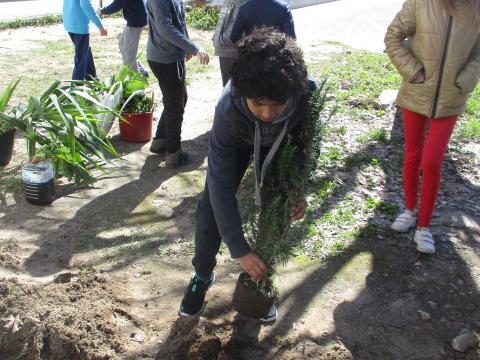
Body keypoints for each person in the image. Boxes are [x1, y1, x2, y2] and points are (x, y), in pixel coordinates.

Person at [178, 28, 315, 322]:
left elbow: (305, 146)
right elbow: (220, 184)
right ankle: (202, 275)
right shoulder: (228, 107)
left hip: (282, 144)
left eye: (276, 105)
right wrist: (238, 247)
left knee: (280, 207)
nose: (267, 113)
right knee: (211, 210)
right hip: (239, 139)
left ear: (291, 93)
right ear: (244, 94)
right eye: (258, 104)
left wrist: (298, 187)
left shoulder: (305, 93)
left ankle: (260, 283)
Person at [385, 0, 480, 254]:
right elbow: (393, 37)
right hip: (416, 93)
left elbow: (478, 53)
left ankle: (424, 227)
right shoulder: (420, 2)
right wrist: (412, 71)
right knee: (412, 156)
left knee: (432, 161)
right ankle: (409, 210)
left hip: (451, 98)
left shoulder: (476, 8)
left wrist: (464, 81)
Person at [146, 0, 210, 167]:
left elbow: (179, 20)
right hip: (164, 58)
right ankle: (174, 153)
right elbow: (165, 27)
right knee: (175, 104)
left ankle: (160, 141)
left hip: (172, 55)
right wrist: (194, 48)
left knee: (176, 99)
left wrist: (185, 47)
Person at [98, 0, 149, 77]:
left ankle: (135, 79)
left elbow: (117, 4)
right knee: (122, 44)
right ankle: (142, 71)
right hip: (134, 19)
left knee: (129, 54)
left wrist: (102, 11)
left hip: (135, 21)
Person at [63, 0, 108, 80]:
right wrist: (100, 26)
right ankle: (76, 90)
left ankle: (93, 82)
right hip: (79, 25)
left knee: (86, 52)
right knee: (81, 60)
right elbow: (85, 5)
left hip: (69, 21)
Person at [212, 0, 249, 86]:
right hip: (226, 47)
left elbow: (238, 23)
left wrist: (223, 39)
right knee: (229, 88)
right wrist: (217, 37)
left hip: (232, 48)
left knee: (235, 89)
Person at [229, 0, 296, 45]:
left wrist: (245, 50)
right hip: (277, 60)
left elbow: (234, 37)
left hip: (252, 60)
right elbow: (291, 37)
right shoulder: (283, 7)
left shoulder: (244, 8)